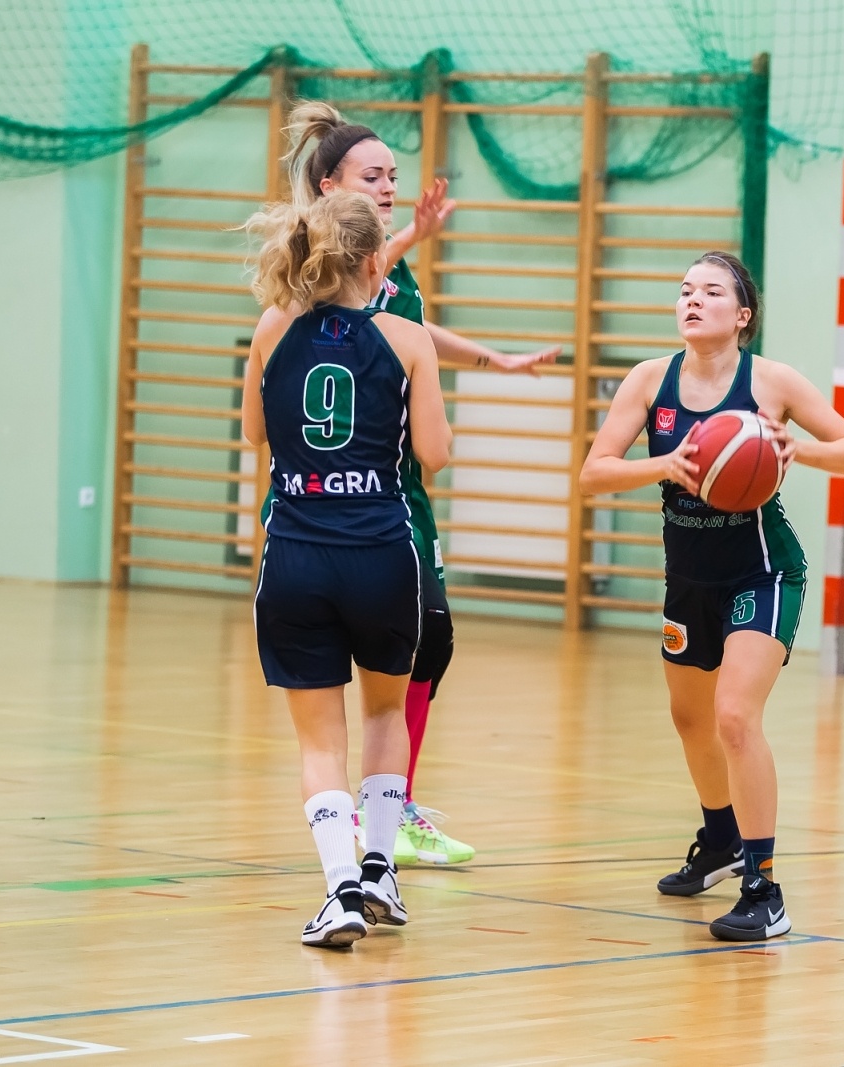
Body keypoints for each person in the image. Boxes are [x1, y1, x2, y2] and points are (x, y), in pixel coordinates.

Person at [281, 100, 560, 866]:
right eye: (373, 175)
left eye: (395, 175)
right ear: (330, 181)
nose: (390, 186)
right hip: (337, 502)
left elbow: (409, 328)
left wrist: (492, 359)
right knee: (374, 664)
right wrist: (410, 237)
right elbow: (349, 297)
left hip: (398, 491)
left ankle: (388, 809)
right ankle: (373, 822)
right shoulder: (309, 263)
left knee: (427, 643)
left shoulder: (386, 267)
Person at [580, 252, 844, 941]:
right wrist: (665, 464)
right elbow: (595, 472)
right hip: (688, 576)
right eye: (685, 289)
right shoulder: (649, 380)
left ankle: (764, 885)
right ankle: (718, 837)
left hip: (763, 572)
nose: (693, 299)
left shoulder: (771, 382)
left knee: (735, 717)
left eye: (711, 291)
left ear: (741, 315)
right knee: (690, 720)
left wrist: (796, 447)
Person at [239, 190, 452, 949]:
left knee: (318, 741)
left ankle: (339, 893)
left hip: (296, 552)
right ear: (375, 262)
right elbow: (433, 453)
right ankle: (381, 867)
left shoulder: (271, 329)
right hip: (381, 554)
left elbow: (255, 434)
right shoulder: (407, 336)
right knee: (385, 713)